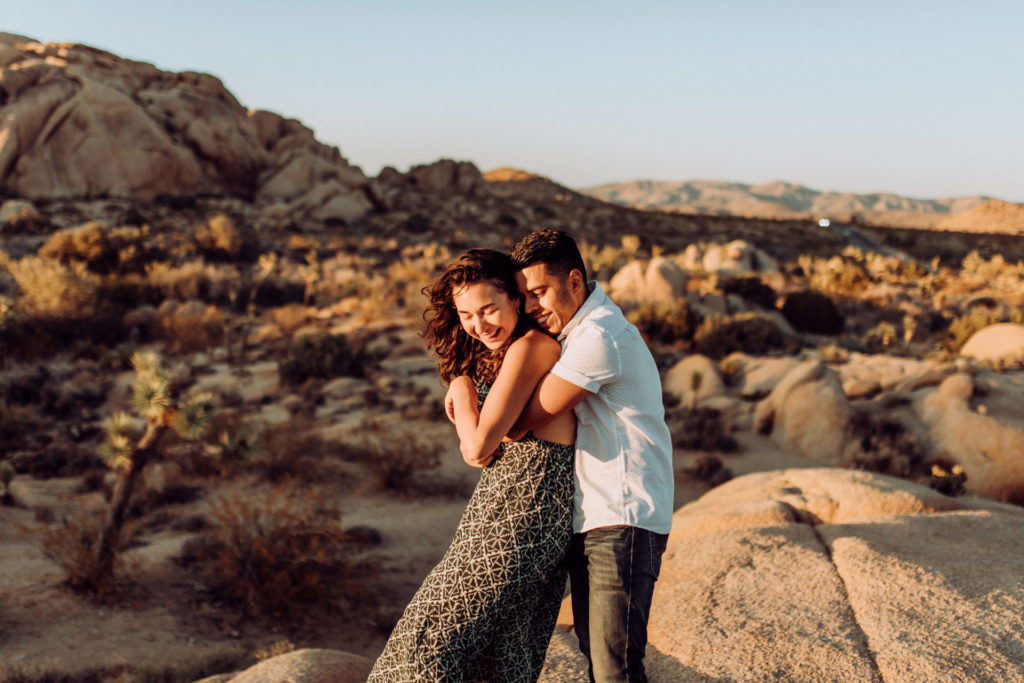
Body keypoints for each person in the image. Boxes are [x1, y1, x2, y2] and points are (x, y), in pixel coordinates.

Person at [368, 248, 577, 683]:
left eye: (489, 309)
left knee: (425, 643)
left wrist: (462, 389)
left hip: (523, 519)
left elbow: (478, 448)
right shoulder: (508, 352)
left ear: (516, 300)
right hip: (508, 513)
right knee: (498, 656)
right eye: (466, 315)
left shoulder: (532, 347)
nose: (479, 326)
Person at [507, 229, 674, 683]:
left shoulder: (601, 336)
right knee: (601, 654)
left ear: (575, 281)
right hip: (599, 517)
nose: (532, 307)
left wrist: (463, 389)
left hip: (623, 516)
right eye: (523, 298)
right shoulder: (579, 330)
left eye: (539, 292)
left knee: (614, 667)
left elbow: (520, 421)